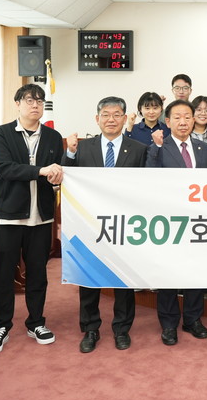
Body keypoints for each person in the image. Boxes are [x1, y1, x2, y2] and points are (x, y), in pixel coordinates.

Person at [62, 96, 147, 353]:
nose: (111, 119)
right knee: (89, 278)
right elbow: (65, 177)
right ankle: (90, 329)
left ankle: (122, 329)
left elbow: (146, 188)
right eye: (106, 115)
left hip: (125, 225)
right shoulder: (82, 148)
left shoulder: (139, 149)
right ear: (97, 119)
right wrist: (70, 153)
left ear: (125, 118)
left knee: (123, 279)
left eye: (117, 114)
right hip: (89, 225)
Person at [0, 83, 64, 355]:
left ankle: (36, 322)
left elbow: (57, 171)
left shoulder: (53, 136)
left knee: (38, 273)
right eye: (30, 100)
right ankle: (0, 326)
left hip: (40, 218)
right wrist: (41, 170)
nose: (35, 105)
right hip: (8, 216)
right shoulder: (2, 134)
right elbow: (4, 167)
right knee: (3, 274)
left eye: (40, 101)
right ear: (17, 104)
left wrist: (56, 175)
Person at [146, 99, 207, 346]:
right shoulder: (159, 147)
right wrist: (155, 148)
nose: (183, 122)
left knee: (195, 271)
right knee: (168, 273)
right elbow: (148, 179)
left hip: (198, 221)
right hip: (169, 222)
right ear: (167, 122)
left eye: (187, 117)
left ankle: (193, 319)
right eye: (177, 117)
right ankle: (168, 323)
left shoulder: (204, 149)